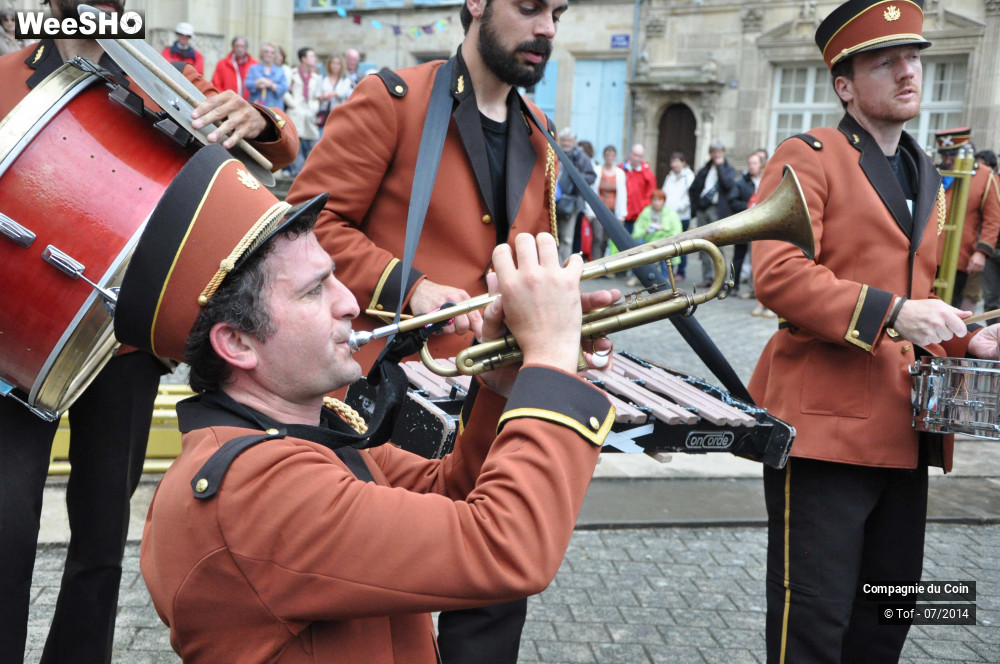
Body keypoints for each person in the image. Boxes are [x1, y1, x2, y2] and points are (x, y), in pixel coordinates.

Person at [111, 143, 617, 661]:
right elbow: (506, 547)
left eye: (334, 275)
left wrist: (502, 385)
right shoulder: (256, 488)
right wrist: (551, 357)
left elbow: (453, 499)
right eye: (315, 291)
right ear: (237, 344)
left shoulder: (301, 437)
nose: (351, 302)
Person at [0, 2, 298, 661]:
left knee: (103, 536)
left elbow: (275, 148)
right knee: (5, 529)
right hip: (14, 334)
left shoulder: (164, 81)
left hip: (125, 338)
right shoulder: (7, 74)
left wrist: (260, 119)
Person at [286, 0, 574, 659]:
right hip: (393, 415)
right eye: (530, 7)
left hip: (498, 405)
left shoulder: (540, 132)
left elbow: (532, 259)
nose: (547, 28)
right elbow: (306, 230)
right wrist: (407, 285)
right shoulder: (391, 100)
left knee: (491, 613)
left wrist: (568, 318)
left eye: (557, 11)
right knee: (384, 621)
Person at [748, 2, 1000, 662]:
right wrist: (891, 313)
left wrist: (965, 339)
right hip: (826, 434)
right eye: (885, 62)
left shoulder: (931, 172)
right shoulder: (808, 156)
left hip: (906, 432)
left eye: (913, 57)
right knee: (813, 622)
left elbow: (926, 300)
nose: (907, 71)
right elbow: (776, 275)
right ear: (845, 86)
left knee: (890, 611)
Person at [933, 128, 1000, 310]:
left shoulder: (986, 177)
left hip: (959, 255)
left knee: (950, 308)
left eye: (953, 155)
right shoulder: (935, 172)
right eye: (944, 155)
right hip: (928, 253)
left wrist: (981, 252)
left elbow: (993, 220)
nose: (948, 161)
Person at [688, 139, 737, 288]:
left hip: (717, 210)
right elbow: (693, 189)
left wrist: (720, 166)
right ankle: (708, 277)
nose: (716, 155)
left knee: (719, 244)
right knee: (702, 244)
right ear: (710, 153)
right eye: (714, 152)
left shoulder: (728, 168)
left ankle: (723, 278)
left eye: (719, 152)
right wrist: (695, 206)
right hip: (703, 209)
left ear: (723, 153)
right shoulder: (705, 169)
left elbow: (728, 184)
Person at [555, 127, 597, 262]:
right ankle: (553, 264)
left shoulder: (581, 156)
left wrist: (576, 176)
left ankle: (564, 265)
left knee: (567, 237)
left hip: (572, 202)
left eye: (569, 140)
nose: (566, 143)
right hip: (553, 201)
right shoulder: (554, 152)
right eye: (563, 140)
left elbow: (592, 176)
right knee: (552, 236)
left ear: (574, 141)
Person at [625, 189, 681, 286]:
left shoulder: (671, 214)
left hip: (664, 242)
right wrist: (646, 230)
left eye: (659, 200)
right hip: (648, 241)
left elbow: (677, 233)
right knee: (638, 246)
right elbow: (636, 233)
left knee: (665, 250)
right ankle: (635, 276)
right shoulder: (646, 212)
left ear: (664, 201)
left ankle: (666, 278)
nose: (656, 203)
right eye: (654, 200)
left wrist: (664, 229)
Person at [730, 150, 766, 298]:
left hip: (760, 224)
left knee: (755, 258)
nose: (752, 166)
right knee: (738, 256)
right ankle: (733, 285)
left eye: (755, 163)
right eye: (750, 163)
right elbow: (733, 201)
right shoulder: (742, 182)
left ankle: (754, 289)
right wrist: (747, 206)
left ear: (761, 165)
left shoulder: (766, 180)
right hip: (744, 223)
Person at [284, 47, 321, 177]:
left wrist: (314, 107)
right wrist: (293, 104)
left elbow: (317, 96)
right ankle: (298, 173)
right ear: (303, 59)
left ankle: (312, 172)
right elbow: (285, 90)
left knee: (314, 144)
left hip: (309, 114)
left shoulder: (316, 78)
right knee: (296, 144)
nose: (314, 59)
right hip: (296, 113)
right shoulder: (292, 74)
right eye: (311, 56)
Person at [587, 143, 627, 262]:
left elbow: (622, 195)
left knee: (606, 238)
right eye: (607, 155)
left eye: (612, 155)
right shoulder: (597, 170)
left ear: (615, 157)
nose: (609, 158)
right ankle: (595, 262)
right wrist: (588, 211)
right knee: (597, 237)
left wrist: (621, 215)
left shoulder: (620, 173)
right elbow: (591, 191)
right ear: (604, 156)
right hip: (598, 210)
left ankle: (603, 263)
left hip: (612, 210)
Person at [661, 151, 695, 279]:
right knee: (670, 244)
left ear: (683, 163)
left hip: (681, 216)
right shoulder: (669, 177)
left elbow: (689, 197)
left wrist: (676, 209)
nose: (674, 164)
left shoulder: (688, 177)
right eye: (672, 162)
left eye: (677, 162)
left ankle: (681, 272)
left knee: (681, 244)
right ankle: (671, 271)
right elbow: (665, 193)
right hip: (669, 216)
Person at [620, 143, 656, 235]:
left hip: (639, 216)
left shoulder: (647, 173)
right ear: (630, 153)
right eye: (634, 155)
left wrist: (642, 207)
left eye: (639, 156)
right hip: (622, 215)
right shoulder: (620, 169)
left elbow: (651, 194)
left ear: (642, 157)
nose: (636, 158)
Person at [244, 41, 289, 110]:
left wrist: (272, 85)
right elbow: (247, 83)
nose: (269, 54)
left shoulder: (280, 70)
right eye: (266, 52)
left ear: (275, 55)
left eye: (272, 52)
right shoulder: (254, 68)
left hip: (275, 106)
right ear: (262, 53)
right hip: (257, 105)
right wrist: (258, 83)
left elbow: (285, 87)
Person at [210, 35, 256, 100]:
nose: (239, 49)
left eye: (242, 46)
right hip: (228, 102)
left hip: (249, 103)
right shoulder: (223, 63)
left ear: (246, 48)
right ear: (233, 47)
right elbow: (216, 84)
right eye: (237, 46)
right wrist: (224, 98)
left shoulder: (254, 64)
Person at [316, 53, 354, 130]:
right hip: (324, 113)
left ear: (341, 66)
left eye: (338, 64)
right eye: (333, 63)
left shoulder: (345, 80)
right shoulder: (322, 78)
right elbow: (317, 95)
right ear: (329, 64)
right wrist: (323, 97)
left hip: (338, 114)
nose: (335, 66)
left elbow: (343, 93)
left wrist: (330, 94)